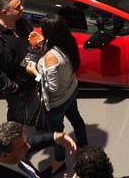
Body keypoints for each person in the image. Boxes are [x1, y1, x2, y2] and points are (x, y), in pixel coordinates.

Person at [24, 14, 89, 176]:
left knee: (56, 133)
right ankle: (83, 148)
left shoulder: (51, 57)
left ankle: (59, 161)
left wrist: (34, 72)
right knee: (76, 118)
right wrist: (42, 42)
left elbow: (51, 87)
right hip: (71, 91)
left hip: (56, 102)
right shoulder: (68, 41)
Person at [0, 120, 76, 178]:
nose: (29, 146)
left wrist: (55, 137)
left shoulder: (0, 149)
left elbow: (30, 142)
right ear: (5, 155)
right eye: (24, 146)